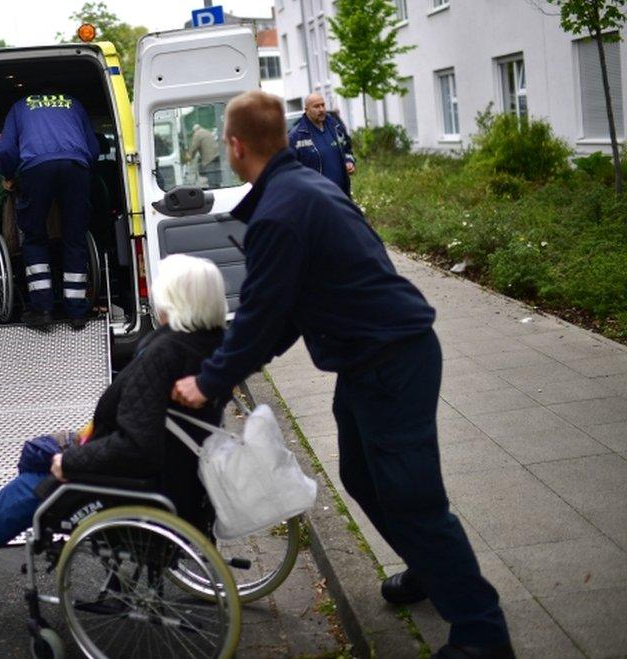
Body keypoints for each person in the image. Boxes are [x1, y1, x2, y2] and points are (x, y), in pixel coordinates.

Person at [172, 91, 513, 659]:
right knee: (362, 476)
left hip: (391, 362)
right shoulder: (299, 189)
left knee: (413, 498)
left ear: (234, 146)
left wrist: (208, 380)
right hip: (371, 360)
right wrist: (229, 366)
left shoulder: (283, 210)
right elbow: (284, 312)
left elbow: (260, 316)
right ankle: (432, 571)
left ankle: (482, 631)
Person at [0, 254, 230, 565]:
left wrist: (70, 461)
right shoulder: (211, 345)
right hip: (177, 472)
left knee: (38, 481)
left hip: (141, 478)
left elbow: (137, 446)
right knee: (45, 453)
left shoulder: (164, 356)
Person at [0, 93, 100, 329]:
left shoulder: (19, 106)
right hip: (76, 166)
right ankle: (77, 312)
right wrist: (86, 171)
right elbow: (93, 147)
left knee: (34, 237)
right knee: (75, 237)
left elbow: (5, 151)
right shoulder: (75, 103)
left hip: (36, 167)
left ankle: (42, 310)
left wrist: (9, 175)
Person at [287, 93, 356, 197]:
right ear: (306, 110)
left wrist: (349, 161)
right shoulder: (295, 137)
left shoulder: (336, 127)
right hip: (316, 199)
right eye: (316, 106)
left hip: (341, 195)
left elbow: (347, 150)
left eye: (323, 105)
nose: (321, 109)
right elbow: (290, 172)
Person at [187, 123, 222, 188]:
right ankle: (218, 187)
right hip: (217, 156)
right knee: (216, 178)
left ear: (194, 130)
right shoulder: (206, 131)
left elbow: (194, 147)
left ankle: (214, 191)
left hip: (209, 158)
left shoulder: (197, 134)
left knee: (212, 180)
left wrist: (190, 156)